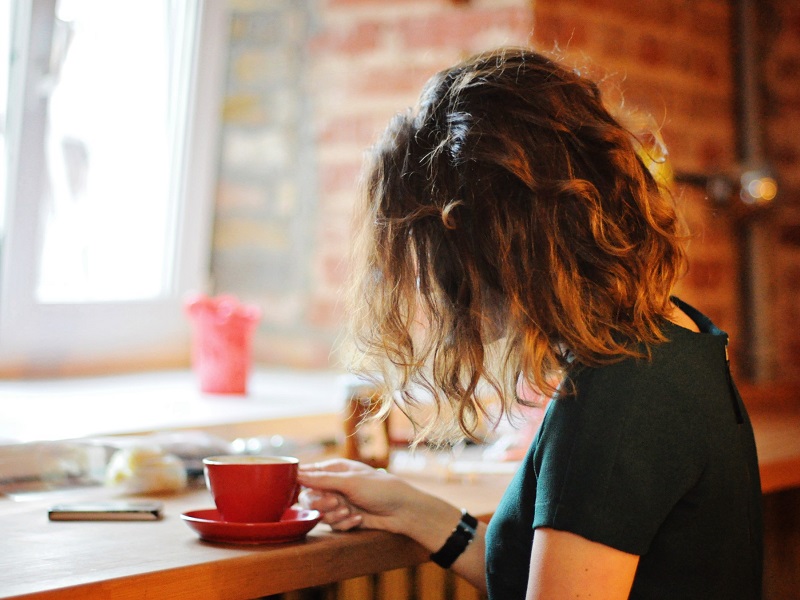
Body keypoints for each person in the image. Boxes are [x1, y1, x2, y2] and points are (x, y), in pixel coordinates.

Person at [298, 47, 764, 599]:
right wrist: (407, 508)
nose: (430, 284)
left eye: (430, 252)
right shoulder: (665, 342)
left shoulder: (620, 396)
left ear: (488, 238)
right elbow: (544, 577)